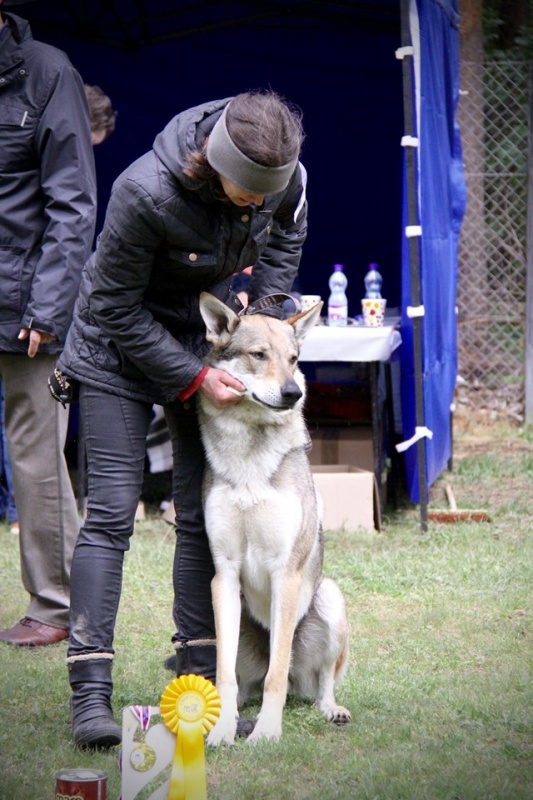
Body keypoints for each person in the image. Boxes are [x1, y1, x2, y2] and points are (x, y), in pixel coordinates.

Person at [50, 89, 308, 748]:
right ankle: (90, 696)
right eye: (245, 195)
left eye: (265, 197)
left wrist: (264, 314)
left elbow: (281, 248)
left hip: (208, 346)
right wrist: (194, 375)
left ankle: (201, 686)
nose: (256, 206)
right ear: (212, 164)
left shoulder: (283, 182)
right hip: (117, 351)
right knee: (110, 514)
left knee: (199, 514)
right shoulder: (144, 192)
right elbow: (110, 305)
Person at [0, 2, 97, 646]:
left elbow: (73, 203)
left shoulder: (47, 74)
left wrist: (48, 308)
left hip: (25, 303)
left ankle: (54, 605)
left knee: (36, 455)